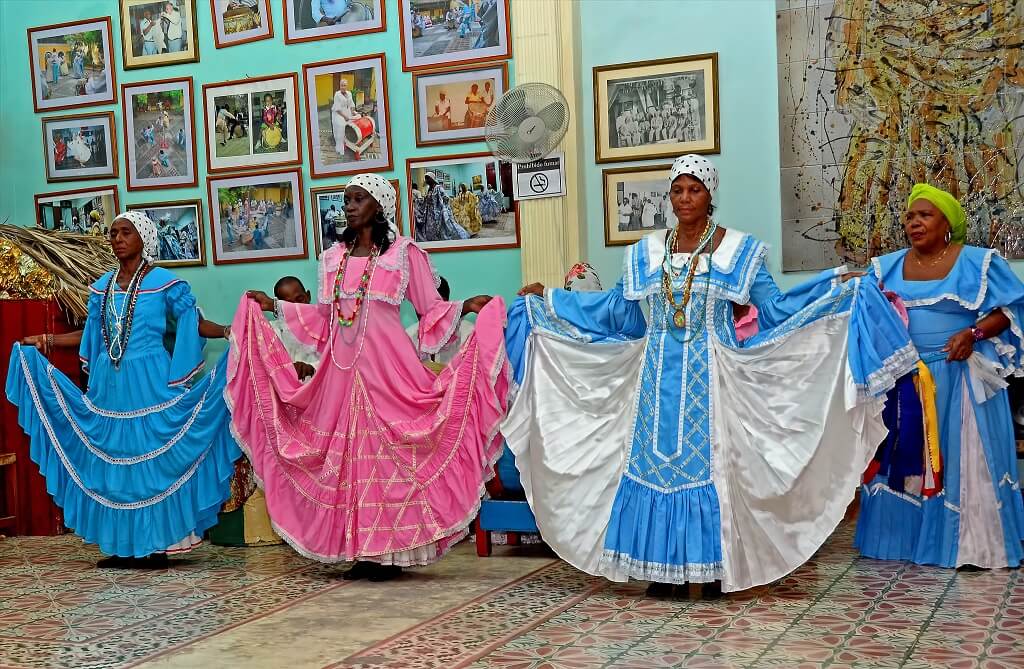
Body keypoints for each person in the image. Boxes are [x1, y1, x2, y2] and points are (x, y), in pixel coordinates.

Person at [504, 154, 916, 597]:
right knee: (651, 470)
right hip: (655, 376)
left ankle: (712, 569)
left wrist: (834, 286)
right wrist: (550, 299)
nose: (685, 198)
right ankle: (662, 570)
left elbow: (775, 308)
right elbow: (616, 311)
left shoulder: (738, 250)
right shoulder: (645, 253)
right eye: (677, 190)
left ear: (710, 195)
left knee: (718, 469)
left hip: (715, 378)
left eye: (694, 189)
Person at [228, 174, 509, 580]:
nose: (350, 206)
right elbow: (324, 320)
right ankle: (361, 551)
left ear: (379, 205)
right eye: (347, 200)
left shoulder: (403, 253)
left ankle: (390, 552)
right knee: (347, 462)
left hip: (389, 370)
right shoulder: (332, 259)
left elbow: (430, 310)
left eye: (359, 199)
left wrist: (465, 306)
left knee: (394, 457)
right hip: (340, 375)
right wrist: (273, 305)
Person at [6, 211, 239, 567]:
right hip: (110, 383)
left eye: (125, 232)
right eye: (113, 232)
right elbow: (92, 335)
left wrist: (229, 332)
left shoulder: (165, 283)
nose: (117, 238)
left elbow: (193, 322)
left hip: (151, 380)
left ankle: (158, 544)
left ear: (144, 238)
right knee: (115, 459)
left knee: (154, 457)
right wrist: (46, 340)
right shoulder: (101, 287)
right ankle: (124, 547)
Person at [856, 184, 1024, 569]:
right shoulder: (887, 267)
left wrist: (974, 333)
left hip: (960, 373)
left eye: (925, 215)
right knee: (905, 456)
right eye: (911, 216)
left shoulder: (977, 263)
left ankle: (970, 545)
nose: (914, 222)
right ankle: (902, 542)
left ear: (948, 223)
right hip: (905, 381)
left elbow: (1010, 310)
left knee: (961, 456)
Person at [406, 276, 476, 367]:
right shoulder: (408, 337)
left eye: (431, 307)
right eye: (419, 305)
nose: (424, 313)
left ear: (446, 304)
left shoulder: (468, 334)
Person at [270, 276, 320, 382]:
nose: (295, 307)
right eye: (288, 304)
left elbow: (336, 361)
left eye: (300, 299)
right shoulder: (274, 330)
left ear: (308, 296)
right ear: (279, 306)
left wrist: (312, 367)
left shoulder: (325, 324)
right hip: (287, 392)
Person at [415, 172, 469, 242]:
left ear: (432, 179)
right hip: (429, 213)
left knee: (444, 228)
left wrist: (443, 207)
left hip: (438, 212)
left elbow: (446, 197)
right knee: (430, 228)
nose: (426, 180)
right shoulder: (429, 189)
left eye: (427, 178)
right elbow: (427, 200)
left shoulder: (438, 188)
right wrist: (419, 201)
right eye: (426, 179)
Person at [331, 78, 357, 156]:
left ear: (347, 86)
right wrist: (345, 117)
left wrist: (353, 112)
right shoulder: (337, 94)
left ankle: (349, 142)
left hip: (347, 112)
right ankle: (340, 146)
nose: (343, 87)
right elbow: (337, 109)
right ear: (340, 86)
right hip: (338, 114)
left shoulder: (349, 93)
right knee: (341, 126)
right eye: (341, 85)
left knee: (352, 123)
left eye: (344, 85)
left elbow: (351, 104)